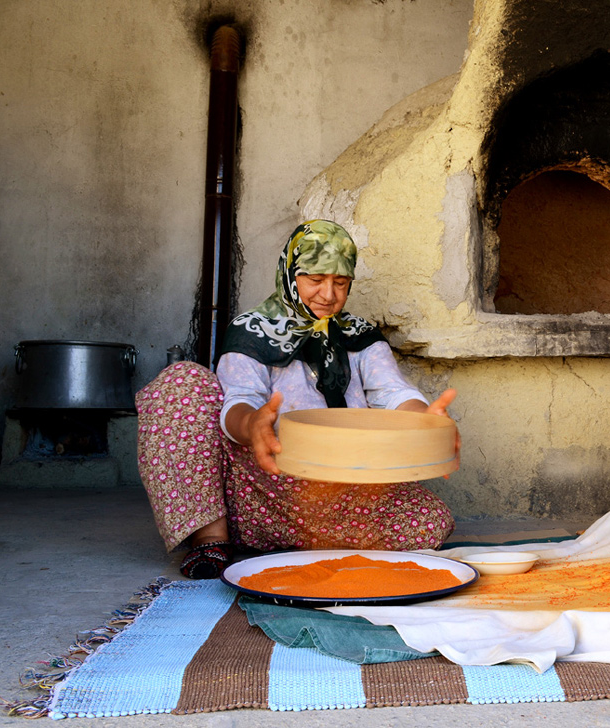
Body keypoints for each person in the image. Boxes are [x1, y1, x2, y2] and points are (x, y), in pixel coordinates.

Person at [136, 220, 457, 579]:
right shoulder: (253, 330)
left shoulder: (361, 336)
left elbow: (393, 394)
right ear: (290, 273)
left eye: (340, 282)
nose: (328, 295)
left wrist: (426, 421)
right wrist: (253, 424)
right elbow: (239, 401)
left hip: (339, 490)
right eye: (314, 280)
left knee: (430, 522)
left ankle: (291, 539)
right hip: (262, 483)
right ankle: (211, 536)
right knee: (181, 382)